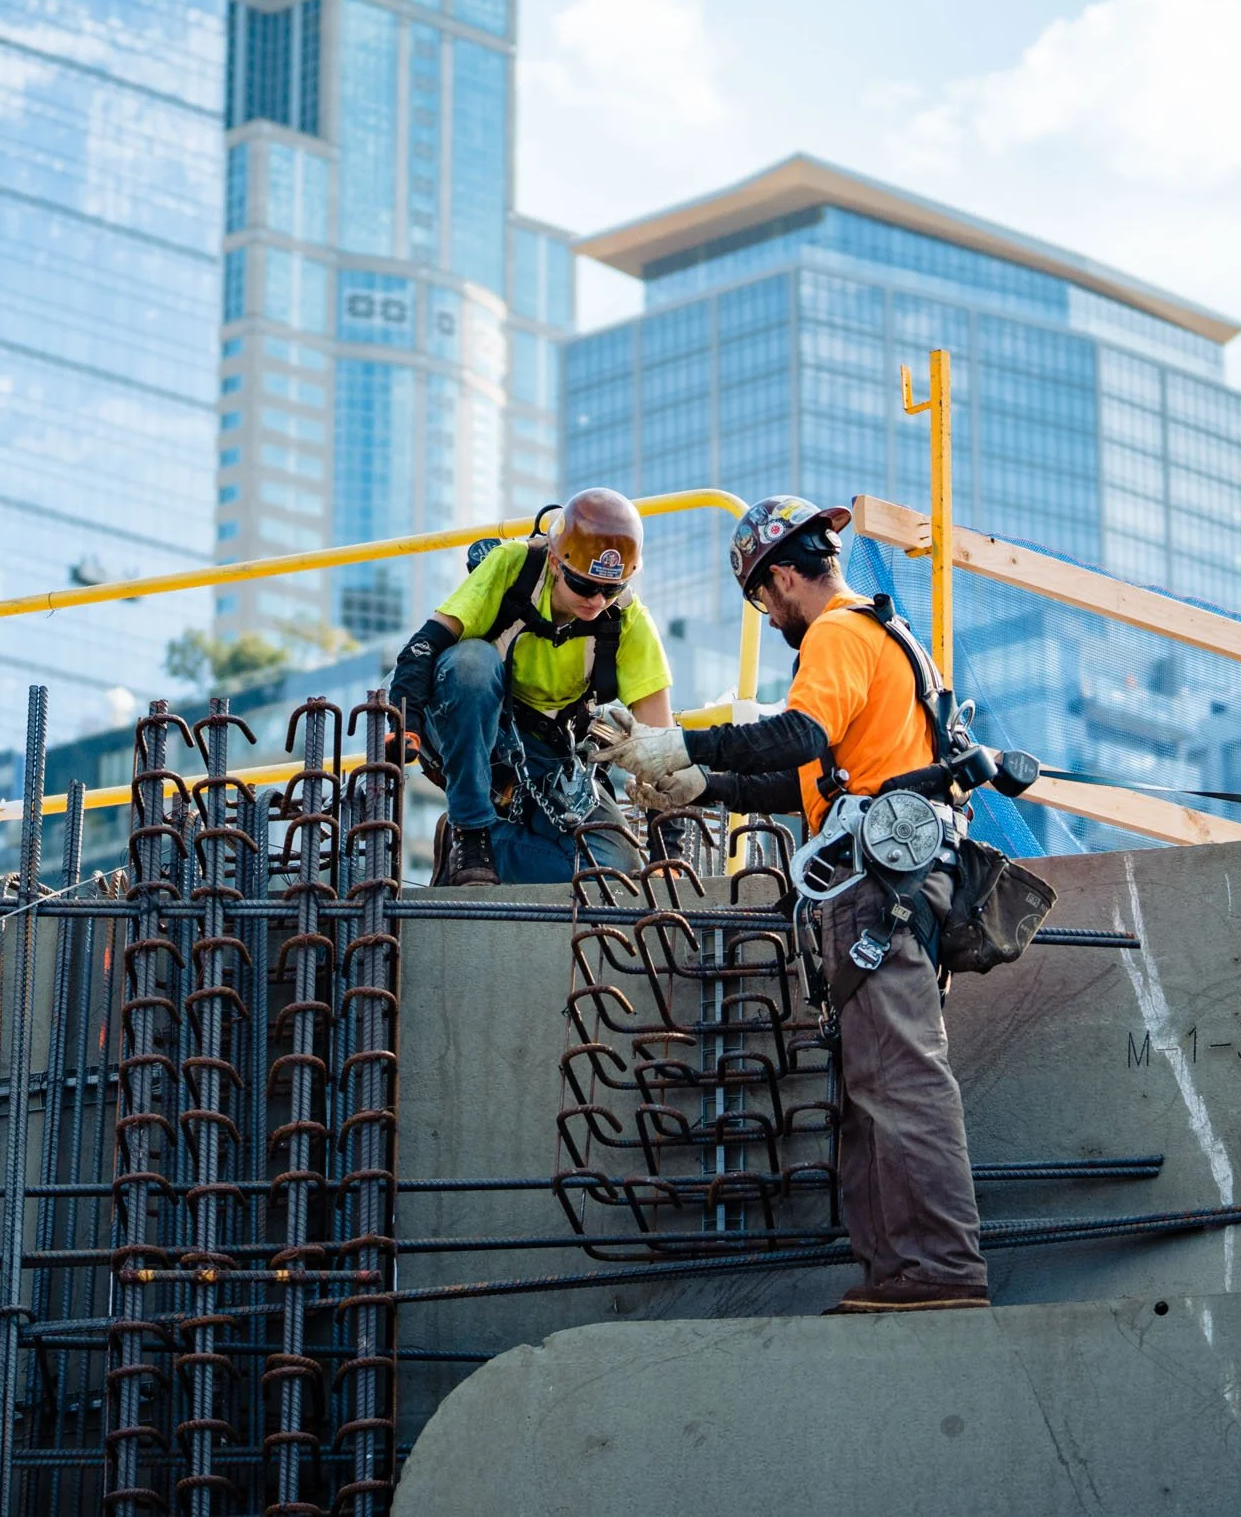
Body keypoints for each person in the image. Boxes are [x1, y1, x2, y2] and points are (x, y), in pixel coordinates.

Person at [595, 495, 989, 1313]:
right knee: (874, 1083)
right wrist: (708, 785)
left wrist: (683, 743)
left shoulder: (839, 632)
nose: (768, 616)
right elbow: (804, 776)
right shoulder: (881, 635)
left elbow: (798, 735)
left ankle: (940, 1269)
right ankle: (900, 1273)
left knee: (902, 1079)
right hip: (889, 874)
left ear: (780, 577)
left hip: (880, 888)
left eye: (761, 599)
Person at [389, 488, 674, 885]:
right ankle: (470, 830)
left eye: (609, 589)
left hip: (548, 750)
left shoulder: (627, 620)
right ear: (556, 562)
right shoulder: (512, 566)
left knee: (613, 873)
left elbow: (660, 743)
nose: (596, 601)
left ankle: (478, 848)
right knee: (470, 661)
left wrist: (669, 856)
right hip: (471, 722)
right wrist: (408, 721)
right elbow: (425, 645)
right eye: (583, 585)